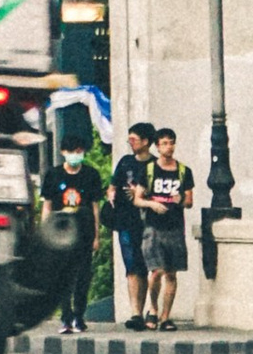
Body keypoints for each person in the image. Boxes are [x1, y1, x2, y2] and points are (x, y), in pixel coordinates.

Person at [46, 130, 98, 334]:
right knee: (62, 275)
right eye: (71, 151)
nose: (75, 155)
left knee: (83, 276)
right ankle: (66, 317)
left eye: (79, 151)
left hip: (84, 230)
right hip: (61, 231)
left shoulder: (91, 175)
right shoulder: (53, 175)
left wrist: (96, 235)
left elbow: (95, 207)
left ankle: (79, 315)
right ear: (63, 152)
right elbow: (47, 206)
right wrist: (46, 231)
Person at [141, 129, 193, 327]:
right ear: (157, 146)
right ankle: (153, 308)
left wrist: (181, 200)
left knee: (171, 273)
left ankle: (166, 316)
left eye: (171, 143)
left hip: (175, 226)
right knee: (156, 271)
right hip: (154, 226)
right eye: (164, 143)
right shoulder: (149, 170)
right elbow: (138, 198)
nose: (169, 147)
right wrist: (152, 204)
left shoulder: (183, 171)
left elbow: (189, 201)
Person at [108, 122, 155, 328]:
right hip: (126, 219)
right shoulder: (125, 162)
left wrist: (141, 193)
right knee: (132, 266)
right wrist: (112, 194)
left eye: (134, 139)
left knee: (149, 266)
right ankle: (135, 312)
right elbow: (113, 185)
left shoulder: (155, 165)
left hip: (148, 221)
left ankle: (151, 309)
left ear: (146, 141)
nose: (131, 143)